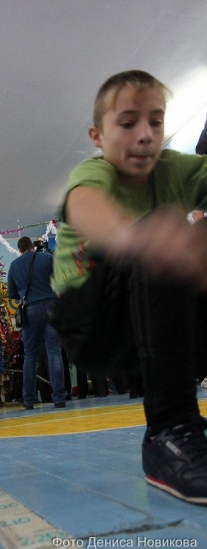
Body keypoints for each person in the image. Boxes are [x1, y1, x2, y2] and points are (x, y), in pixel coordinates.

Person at [49, 70, 207, 504]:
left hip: (157, 323)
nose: (145, 135)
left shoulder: (176, 169)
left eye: (156, 121)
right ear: (97, 136)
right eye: (128, 122)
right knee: (160, 234)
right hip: (91, 325)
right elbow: (86, 205)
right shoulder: (95, 172)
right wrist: (133, 238)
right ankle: (169, 432)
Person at [8, 237, 66, 409]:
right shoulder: (47, 258)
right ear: (32, 246)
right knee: (54, 352)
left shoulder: (14, 265)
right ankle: (59, 398)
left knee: (30, 356)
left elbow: (12, 294)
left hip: (30, 310)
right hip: (51, 306)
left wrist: (25, 293)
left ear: (19, 250)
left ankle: (28, 400)